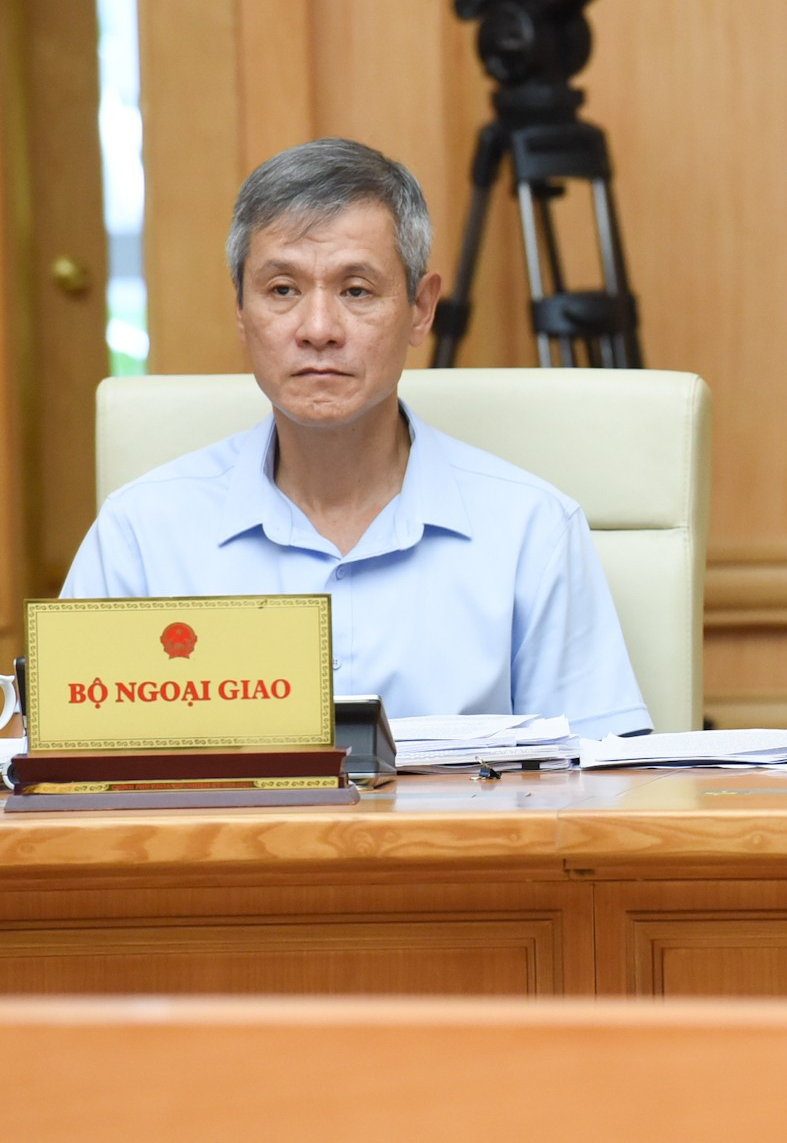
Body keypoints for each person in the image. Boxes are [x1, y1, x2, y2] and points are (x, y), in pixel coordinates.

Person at [62, 137, 651, 737]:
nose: (319, 330)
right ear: (241, 309)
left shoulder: (532, 531)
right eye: (283, 290)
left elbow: (601, 791)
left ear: (422, 309)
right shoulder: (140, 535)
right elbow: (72, 780)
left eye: (356, 290)